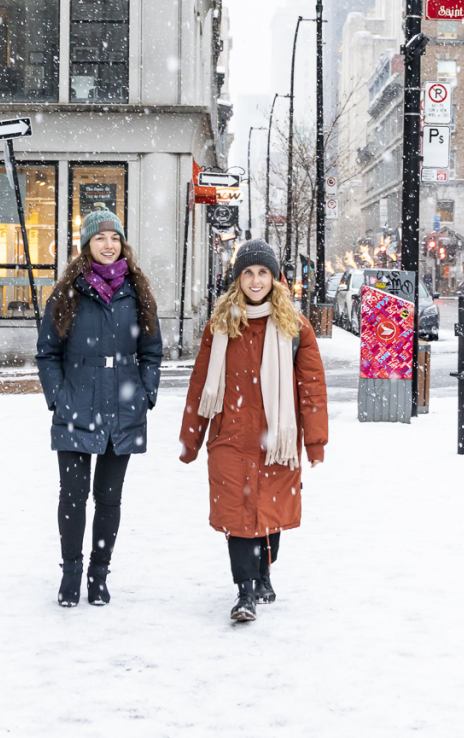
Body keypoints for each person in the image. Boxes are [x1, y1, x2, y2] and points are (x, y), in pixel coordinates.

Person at [179, 239, 328, 623]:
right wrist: (191, 438)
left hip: (276, 439)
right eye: (248, 272)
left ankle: (264, 572)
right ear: (237, 279)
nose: (256, 280)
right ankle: (244, 590)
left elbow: (312, 387)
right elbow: (201, 383)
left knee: (268, 513)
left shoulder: (295, 327)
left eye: (263, 272)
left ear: (274, 277)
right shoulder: (221, 324)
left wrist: (314, 441)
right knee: (238, 515)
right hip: (230, 435)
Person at [36, 210, 163, 608]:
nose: (108, 244)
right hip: (76, 404)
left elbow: (151, 353)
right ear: (87, 246)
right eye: (99, 238)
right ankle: (71, 573)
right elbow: (47, 353)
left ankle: (99, 574)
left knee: (109, 498)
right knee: (72, 495)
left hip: (124, 409)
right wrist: (58, 396)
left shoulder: (137, 290)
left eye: (114, 237)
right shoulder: (67, 292)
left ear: (122, 243)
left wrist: (146, 393)